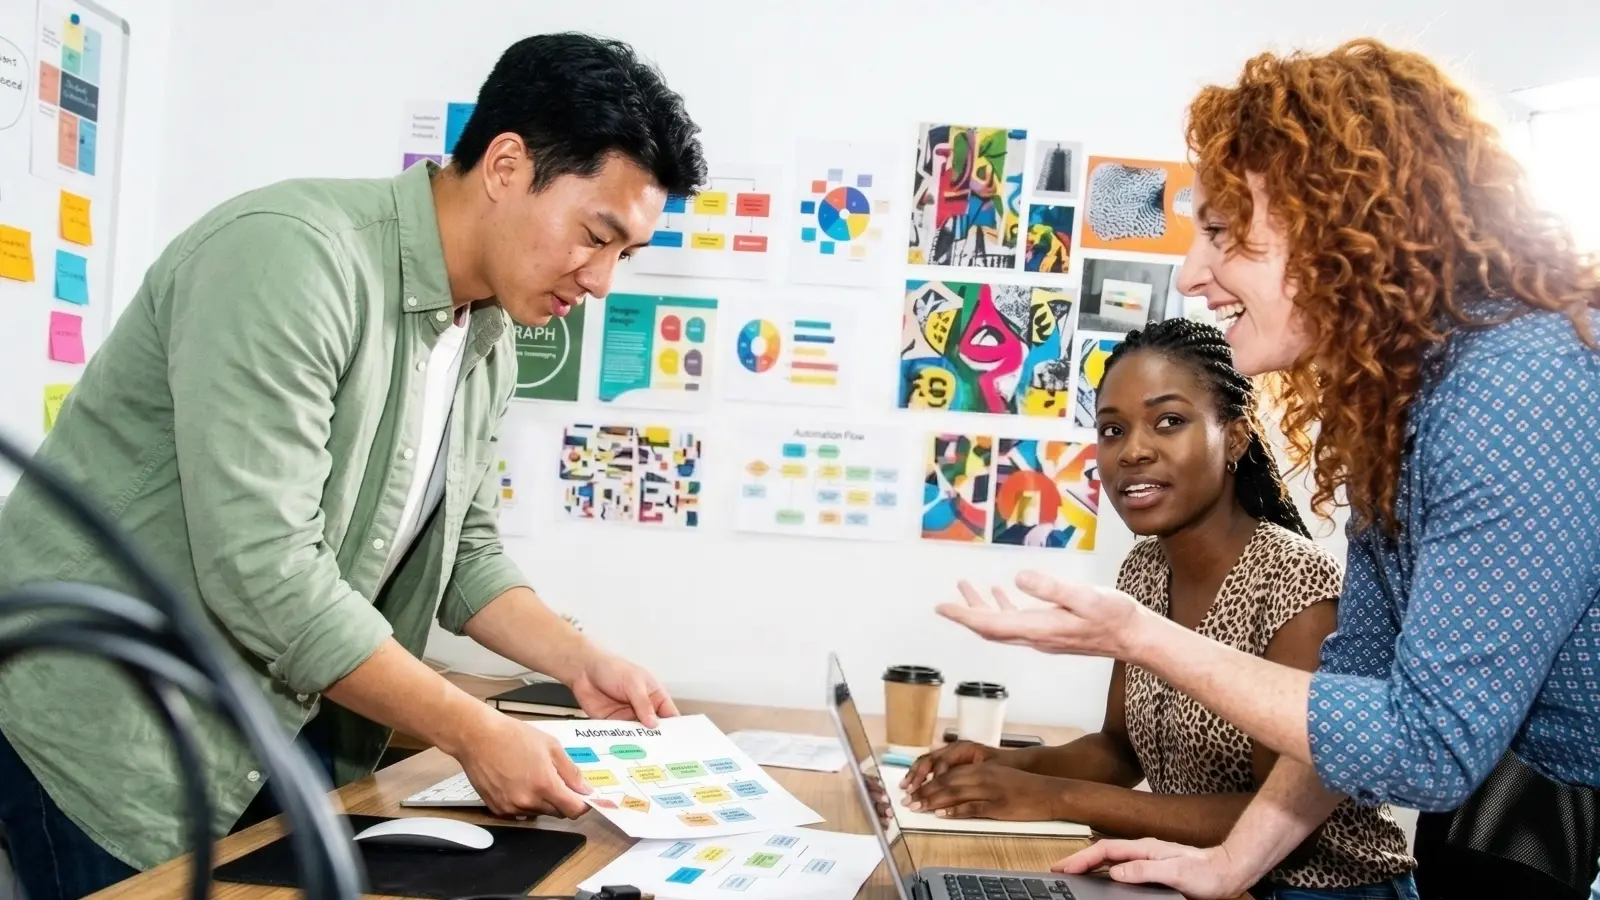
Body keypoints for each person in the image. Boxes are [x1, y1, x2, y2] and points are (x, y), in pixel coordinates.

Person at [0, 32, 707, 900]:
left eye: (626, 255)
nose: (601, 281)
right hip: (108, 739)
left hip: (274, 735)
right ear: (507, 166)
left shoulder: (489, 339)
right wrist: (472, 731)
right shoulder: (290, 256)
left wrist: (578, 660)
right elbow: (264, 571)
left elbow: (465, 552)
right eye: (596, 236)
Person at [933, 39, 1600, 900]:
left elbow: (1427, 746)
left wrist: (1137, 636)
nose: (1192, 272)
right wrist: (1229, 863)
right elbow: (1352, 692)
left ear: (1340, 219)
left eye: (1219, 232)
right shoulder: (1402, 403)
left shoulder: (1517, 384)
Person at [902, 319, 1416, 900]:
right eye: (1113, 430)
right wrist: (1008, 767)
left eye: (1168, 421)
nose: (1133, 451)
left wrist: (1053, 797)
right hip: (1191, 879)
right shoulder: (1144, 569)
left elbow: (1276, 819)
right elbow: (1119, 751)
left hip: (1324, 891)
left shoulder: (1297, 581)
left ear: (1238, 439)